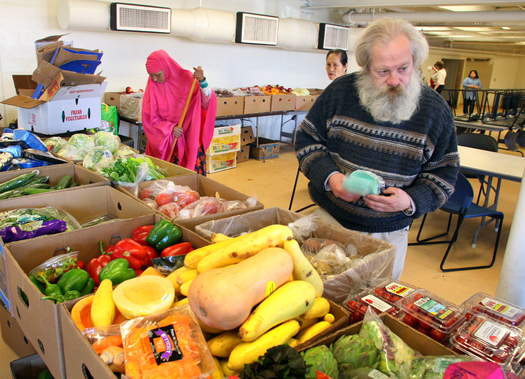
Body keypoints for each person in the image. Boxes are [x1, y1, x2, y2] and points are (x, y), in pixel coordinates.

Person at [294, 18, 459, 280]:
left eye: (404, 68)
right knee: (312, 293)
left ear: (415, 61)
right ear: (366, 66)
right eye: (383, 71)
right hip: (330, 219)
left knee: (370, 304)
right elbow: (307, 140)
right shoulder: (340, 93)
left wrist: (411, 201)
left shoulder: (435, 111)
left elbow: (444, 174)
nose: (395, 80)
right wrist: (331, 178)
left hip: (388, 233)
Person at [142, 50, 217, 175]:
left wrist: (202, 81)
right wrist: (170, 129)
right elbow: (149, 117)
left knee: (191, 183)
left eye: (158, 75)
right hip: (164, 141)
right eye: (151, 75)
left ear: (166, 68)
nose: (154, 79)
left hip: (189, 137)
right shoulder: (152, 85)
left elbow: (205, 103)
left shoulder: (188, 79)